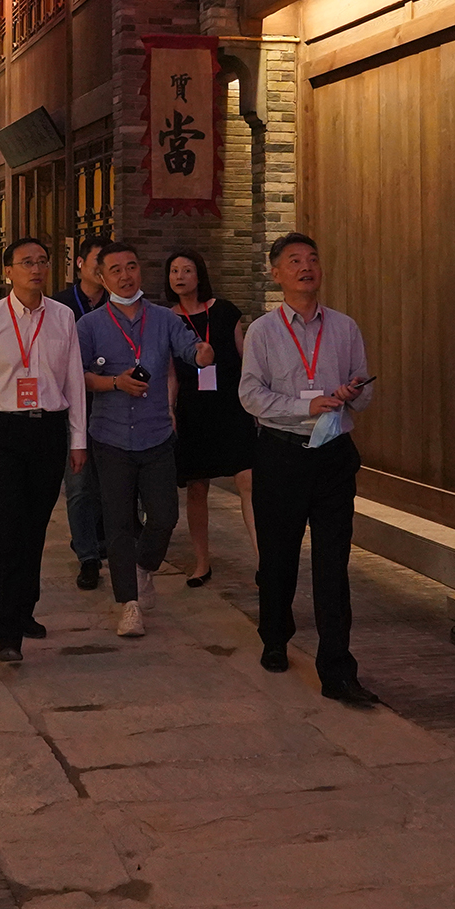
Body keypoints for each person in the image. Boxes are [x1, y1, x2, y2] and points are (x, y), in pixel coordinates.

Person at [238, 232, 379, 708]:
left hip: (334, 455)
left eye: (312, 259)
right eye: (294, 260)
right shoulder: (263, 331)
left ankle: (337, 669)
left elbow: (365, 388)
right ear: (276, 273)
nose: (306, 267)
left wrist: (353, 391)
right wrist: (306, 405)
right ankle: (275, 636)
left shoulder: (344, 327)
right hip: (282, 454)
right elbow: (250, 395)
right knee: (278, 555)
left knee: (333, 562)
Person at [78, 243, 212, 638]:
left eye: (132, 267)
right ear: (102, 278)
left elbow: (188, 349)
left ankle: (143, 567)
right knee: (118, 522)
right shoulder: (90, 325)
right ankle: (129, 605)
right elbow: (77, 375)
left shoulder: (163, 318)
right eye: (116, 270)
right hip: (110, 436)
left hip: (156, 434)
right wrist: (114, 383)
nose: (126, 276)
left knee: (165, 516)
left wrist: (201, 353)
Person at [0, 236, 87, 664]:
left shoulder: (63, 317)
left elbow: (73, 381)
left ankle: (24, 607)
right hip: (5, 431)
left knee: (35, 526)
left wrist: (78, 439)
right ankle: (6, 633)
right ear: (8, 272)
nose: (35, 269)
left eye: (42, 261)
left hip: (48, 430)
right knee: (7, 527)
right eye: (26, 262)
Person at [166, 249, 256, 587]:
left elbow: (245, 359)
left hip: (231, 406)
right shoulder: (167, 319)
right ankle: (201, 563)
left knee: (248, 479)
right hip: (194, 410)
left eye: (187, 270)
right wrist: (169, 408)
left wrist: (255, 402)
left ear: (199, 275)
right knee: (196, 488)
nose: (180, 276)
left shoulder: (225, 311)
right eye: (174, 271)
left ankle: (264, 561)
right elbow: (171, 372)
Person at [57, 235, 110, 591]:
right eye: (98, 261)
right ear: (80, 263)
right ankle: (87, 556)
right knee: (78, 485)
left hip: (112, 405)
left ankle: (105, 542)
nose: (104, 269)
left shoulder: (118, 305)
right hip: (72, 408)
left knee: (110, 484)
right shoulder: (60, 306)